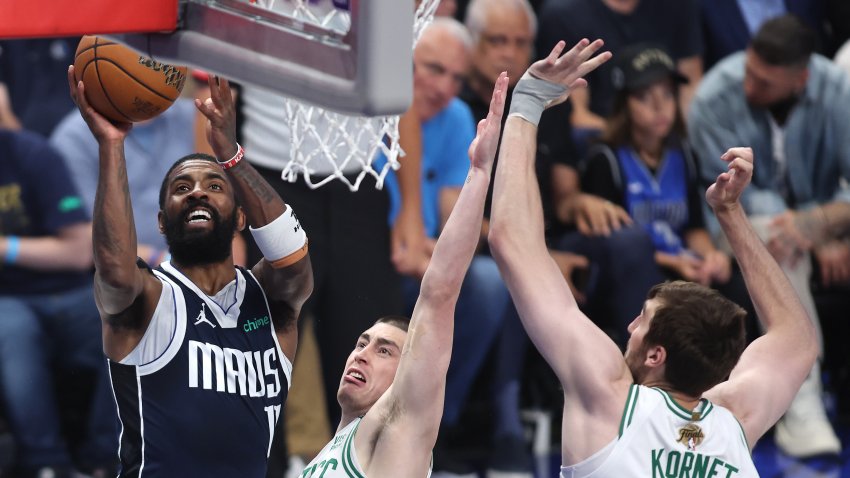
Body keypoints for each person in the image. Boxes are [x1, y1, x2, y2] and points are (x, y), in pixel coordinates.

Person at [489, 38, 819, 476]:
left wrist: (528, 103)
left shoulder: (608, 399)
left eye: (641, 319)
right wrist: (731, 213)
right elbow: (798, 338)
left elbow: (512, 240)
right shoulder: (736, 419)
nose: (629, 326)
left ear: (655, 355)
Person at [67, 66, 313, 477]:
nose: (197, 190)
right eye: (182, 188)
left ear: (240, 220)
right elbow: (113, 270)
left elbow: (292, 256)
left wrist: (231, 155)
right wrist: (111, 145)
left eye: (214, 186)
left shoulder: (271, 301)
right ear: (162, 223)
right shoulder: (148, 299)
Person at [299, 71, 510, 478]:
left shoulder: (396, 432)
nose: (362, 353)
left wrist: (479, 174)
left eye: (384, 351)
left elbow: (439, 293)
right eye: (364, 342)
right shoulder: (334, 452)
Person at [688, 14, 850, 457]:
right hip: (737, 228)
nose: (748, 86)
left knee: (787, 237)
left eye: (764, 82)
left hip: (825, 231)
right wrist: (813, 229)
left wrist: (822, 224)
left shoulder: (839, 91)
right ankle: (802, 397)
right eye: (749, 72)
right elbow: (729, 197)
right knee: (775, 240)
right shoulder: (714, 97)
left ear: (801, 78)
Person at [580, 44, 753, 333]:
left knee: (735, 286)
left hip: (682, 263)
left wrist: (710, 256)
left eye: (667, 95)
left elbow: (694, 228)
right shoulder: (606, 158)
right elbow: (615, 247)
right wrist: (675, 262)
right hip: (641, 271)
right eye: (644, 97)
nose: (660, 107)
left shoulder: (683, 153)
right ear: (624, 105)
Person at [0, 102, 116, 477]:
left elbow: (79, 251)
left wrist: (4, 248)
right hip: (8, 299)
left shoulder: (31, 154)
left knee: (129, 325)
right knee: (12, 336)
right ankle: (47, 464)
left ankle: (107, 457)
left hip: (70, 289)